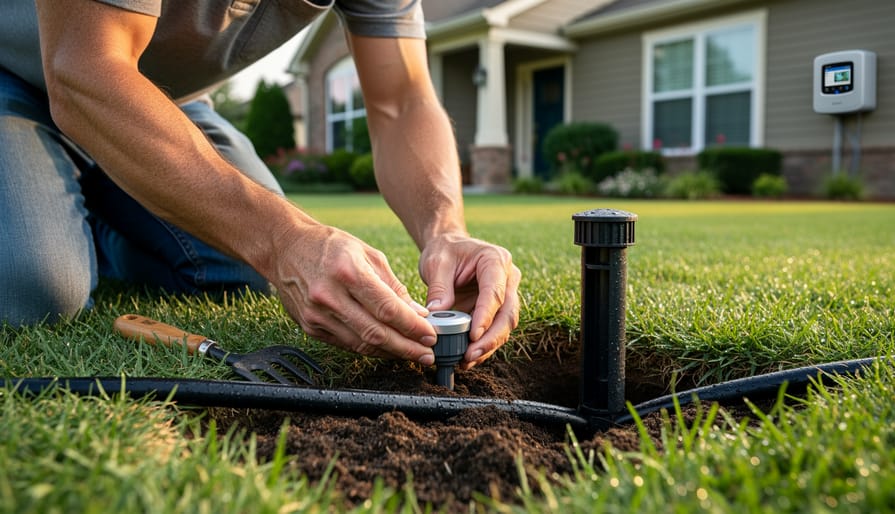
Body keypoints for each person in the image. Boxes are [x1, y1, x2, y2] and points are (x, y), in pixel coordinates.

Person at [0, 0, 520, 371]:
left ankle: (100, 220)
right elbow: (83, 67)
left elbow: (402, 100)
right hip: (26, 76)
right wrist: (280, 238)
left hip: (163, 100)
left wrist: (445, 231)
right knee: (37, 287)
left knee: (240, 269)